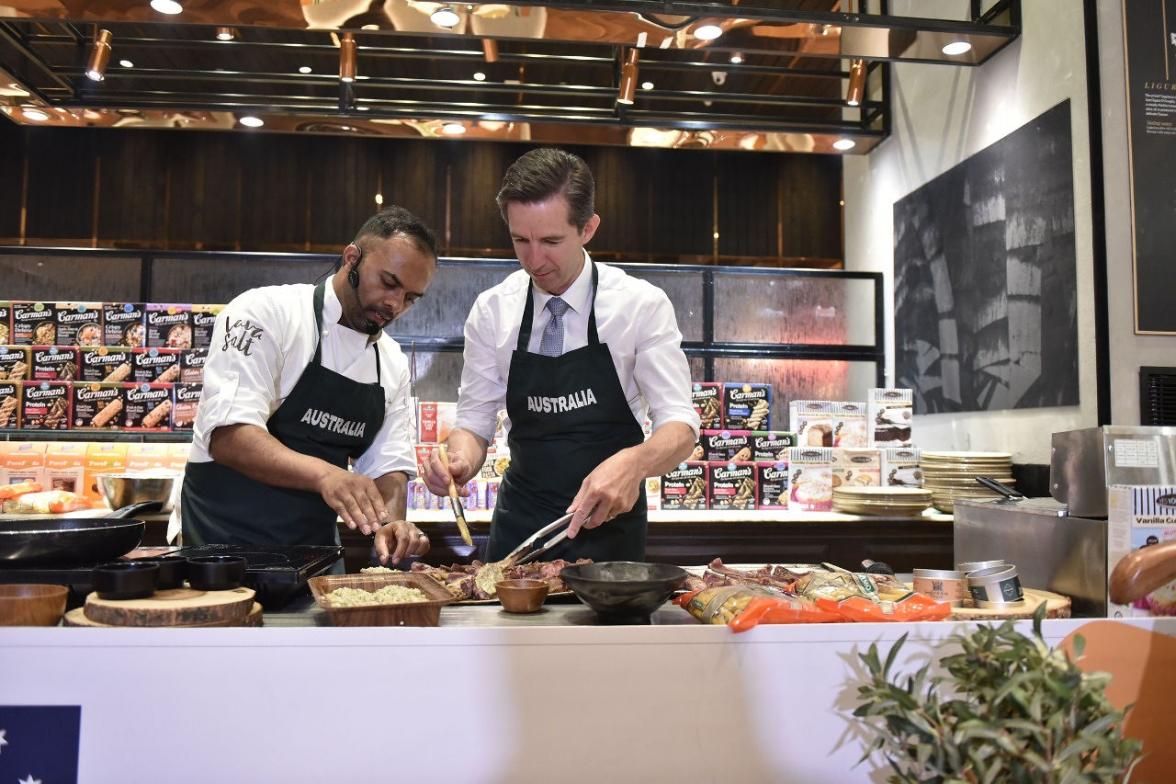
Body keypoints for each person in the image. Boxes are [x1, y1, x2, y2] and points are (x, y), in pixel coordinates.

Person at [387, 147, 699, 562]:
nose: (534, 260)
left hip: (609, 532)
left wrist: (635, 463)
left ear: (588, 228)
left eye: (551, 241)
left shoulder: (639, 306)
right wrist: (459, 460)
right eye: (520, 240)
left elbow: (680, 426)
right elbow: (474, 424)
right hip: (521, 528)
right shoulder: (494, 310)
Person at [179, 207, 435, 566]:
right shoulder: (265, 313)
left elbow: (388, 465)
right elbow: (229, 436)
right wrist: (327, 475)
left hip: (313, 560)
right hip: (221, 549)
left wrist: (392, 523)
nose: (395, 303)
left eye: (410, 298)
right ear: (352, 259)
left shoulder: (390, 361)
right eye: (389, 282)